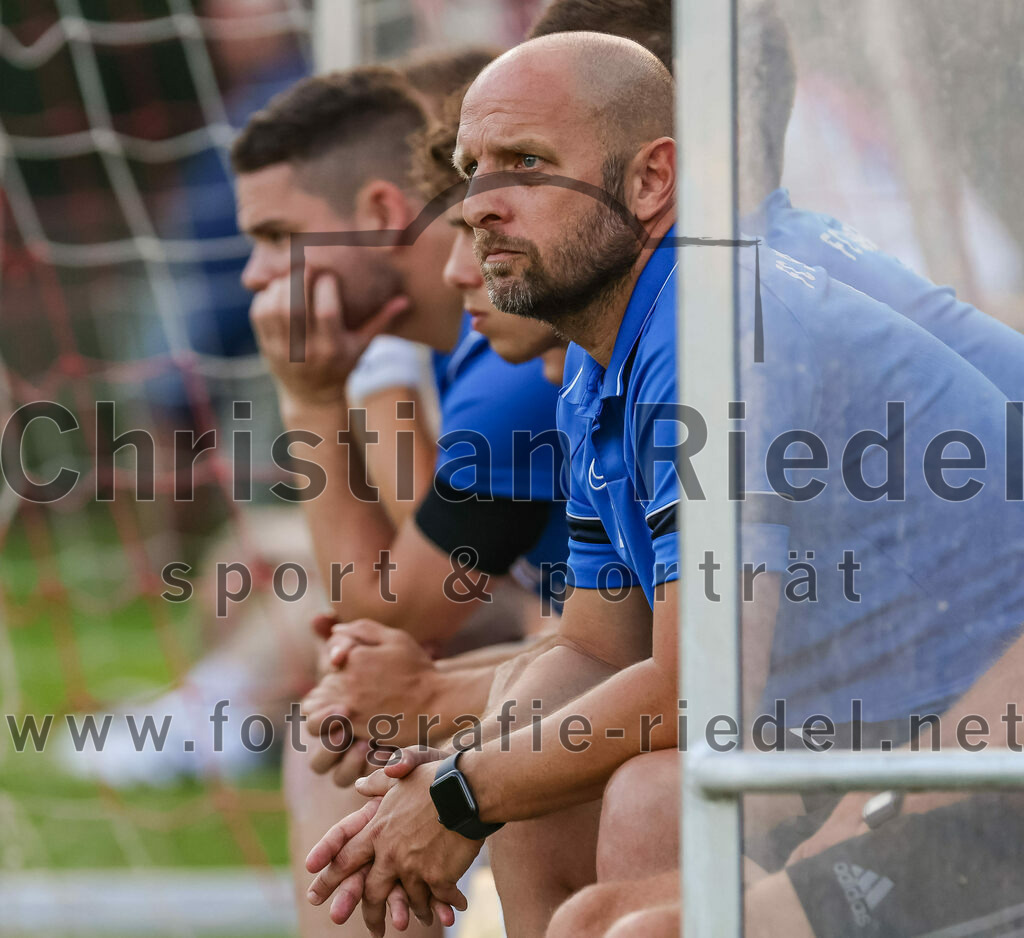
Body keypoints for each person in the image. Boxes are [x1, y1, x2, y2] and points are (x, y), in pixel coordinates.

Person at [304, 31, 1024, 938]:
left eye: (524, 164)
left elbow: (697, 690)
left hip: (977, 757)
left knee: (622, 907)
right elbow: (597, 651)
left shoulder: (713, 329)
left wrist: (456, 794)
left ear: (652, 181)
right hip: (858, 741)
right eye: (469, 169)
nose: (479, 206)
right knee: (581, 798)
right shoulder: (599, 359)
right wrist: (440, 788)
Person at [231, 60, 573, 938]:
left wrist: (313, 397)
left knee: (351, 744)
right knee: (345, 728)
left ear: (383, 215)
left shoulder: (510, 364)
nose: (254, 274)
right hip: (602, 664)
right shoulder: (477, 348)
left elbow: (403, 604)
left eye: (277, 236)